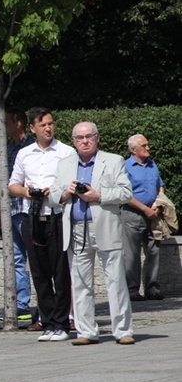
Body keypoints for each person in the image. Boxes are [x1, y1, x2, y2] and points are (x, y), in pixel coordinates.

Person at [50, 122, 134, 345]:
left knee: (115, 280)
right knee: (80, 283)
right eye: (79, 138)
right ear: (73, 141)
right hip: (76, 229)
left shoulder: (114, 160)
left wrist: (98, 195)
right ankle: (86, 331)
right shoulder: (65, 164)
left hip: (105, 227)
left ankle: (123, 330)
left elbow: (125, 193)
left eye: (89, 137)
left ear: (97, 138)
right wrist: (66, 193)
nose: (84, 141)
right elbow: (52, 196)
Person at [8, 107, 75, 342]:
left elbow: (74, 182)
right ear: (33, 128)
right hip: (32, 217)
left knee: (60, 271)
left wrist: (57, 191)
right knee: (39, 272)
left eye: (51, 123)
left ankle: (62, 323)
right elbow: (12, 186)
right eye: (43, 125)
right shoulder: (25, 154)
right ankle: (47, 322)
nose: (48, 128)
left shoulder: (66, 152)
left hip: (57, 215)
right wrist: (28, 192)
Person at [0, 109, 37, 324]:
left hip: (28, 209)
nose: (3, 128)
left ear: (19, 123)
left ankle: (44, 305)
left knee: (36, 258)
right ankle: (21, 304)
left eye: (7, 123)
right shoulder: (9, 149)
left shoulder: (31, 148)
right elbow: (6, 181)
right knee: (17, 258)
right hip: (11, 208)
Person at [122, 134, 165, 301]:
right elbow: (125, 194)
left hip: (153, 214)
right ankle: (132, 291)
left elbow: (160, 185)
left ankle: (152, 288)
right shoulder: (125, 167)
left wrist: (158, 204)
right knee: (131, 254)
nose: (148, 148)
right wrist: (144, 209)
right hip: (132, 214)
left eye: (148, 145)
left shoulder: (152, 164)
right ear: (133, 150)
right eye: (144, 145)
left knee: (154, 251)